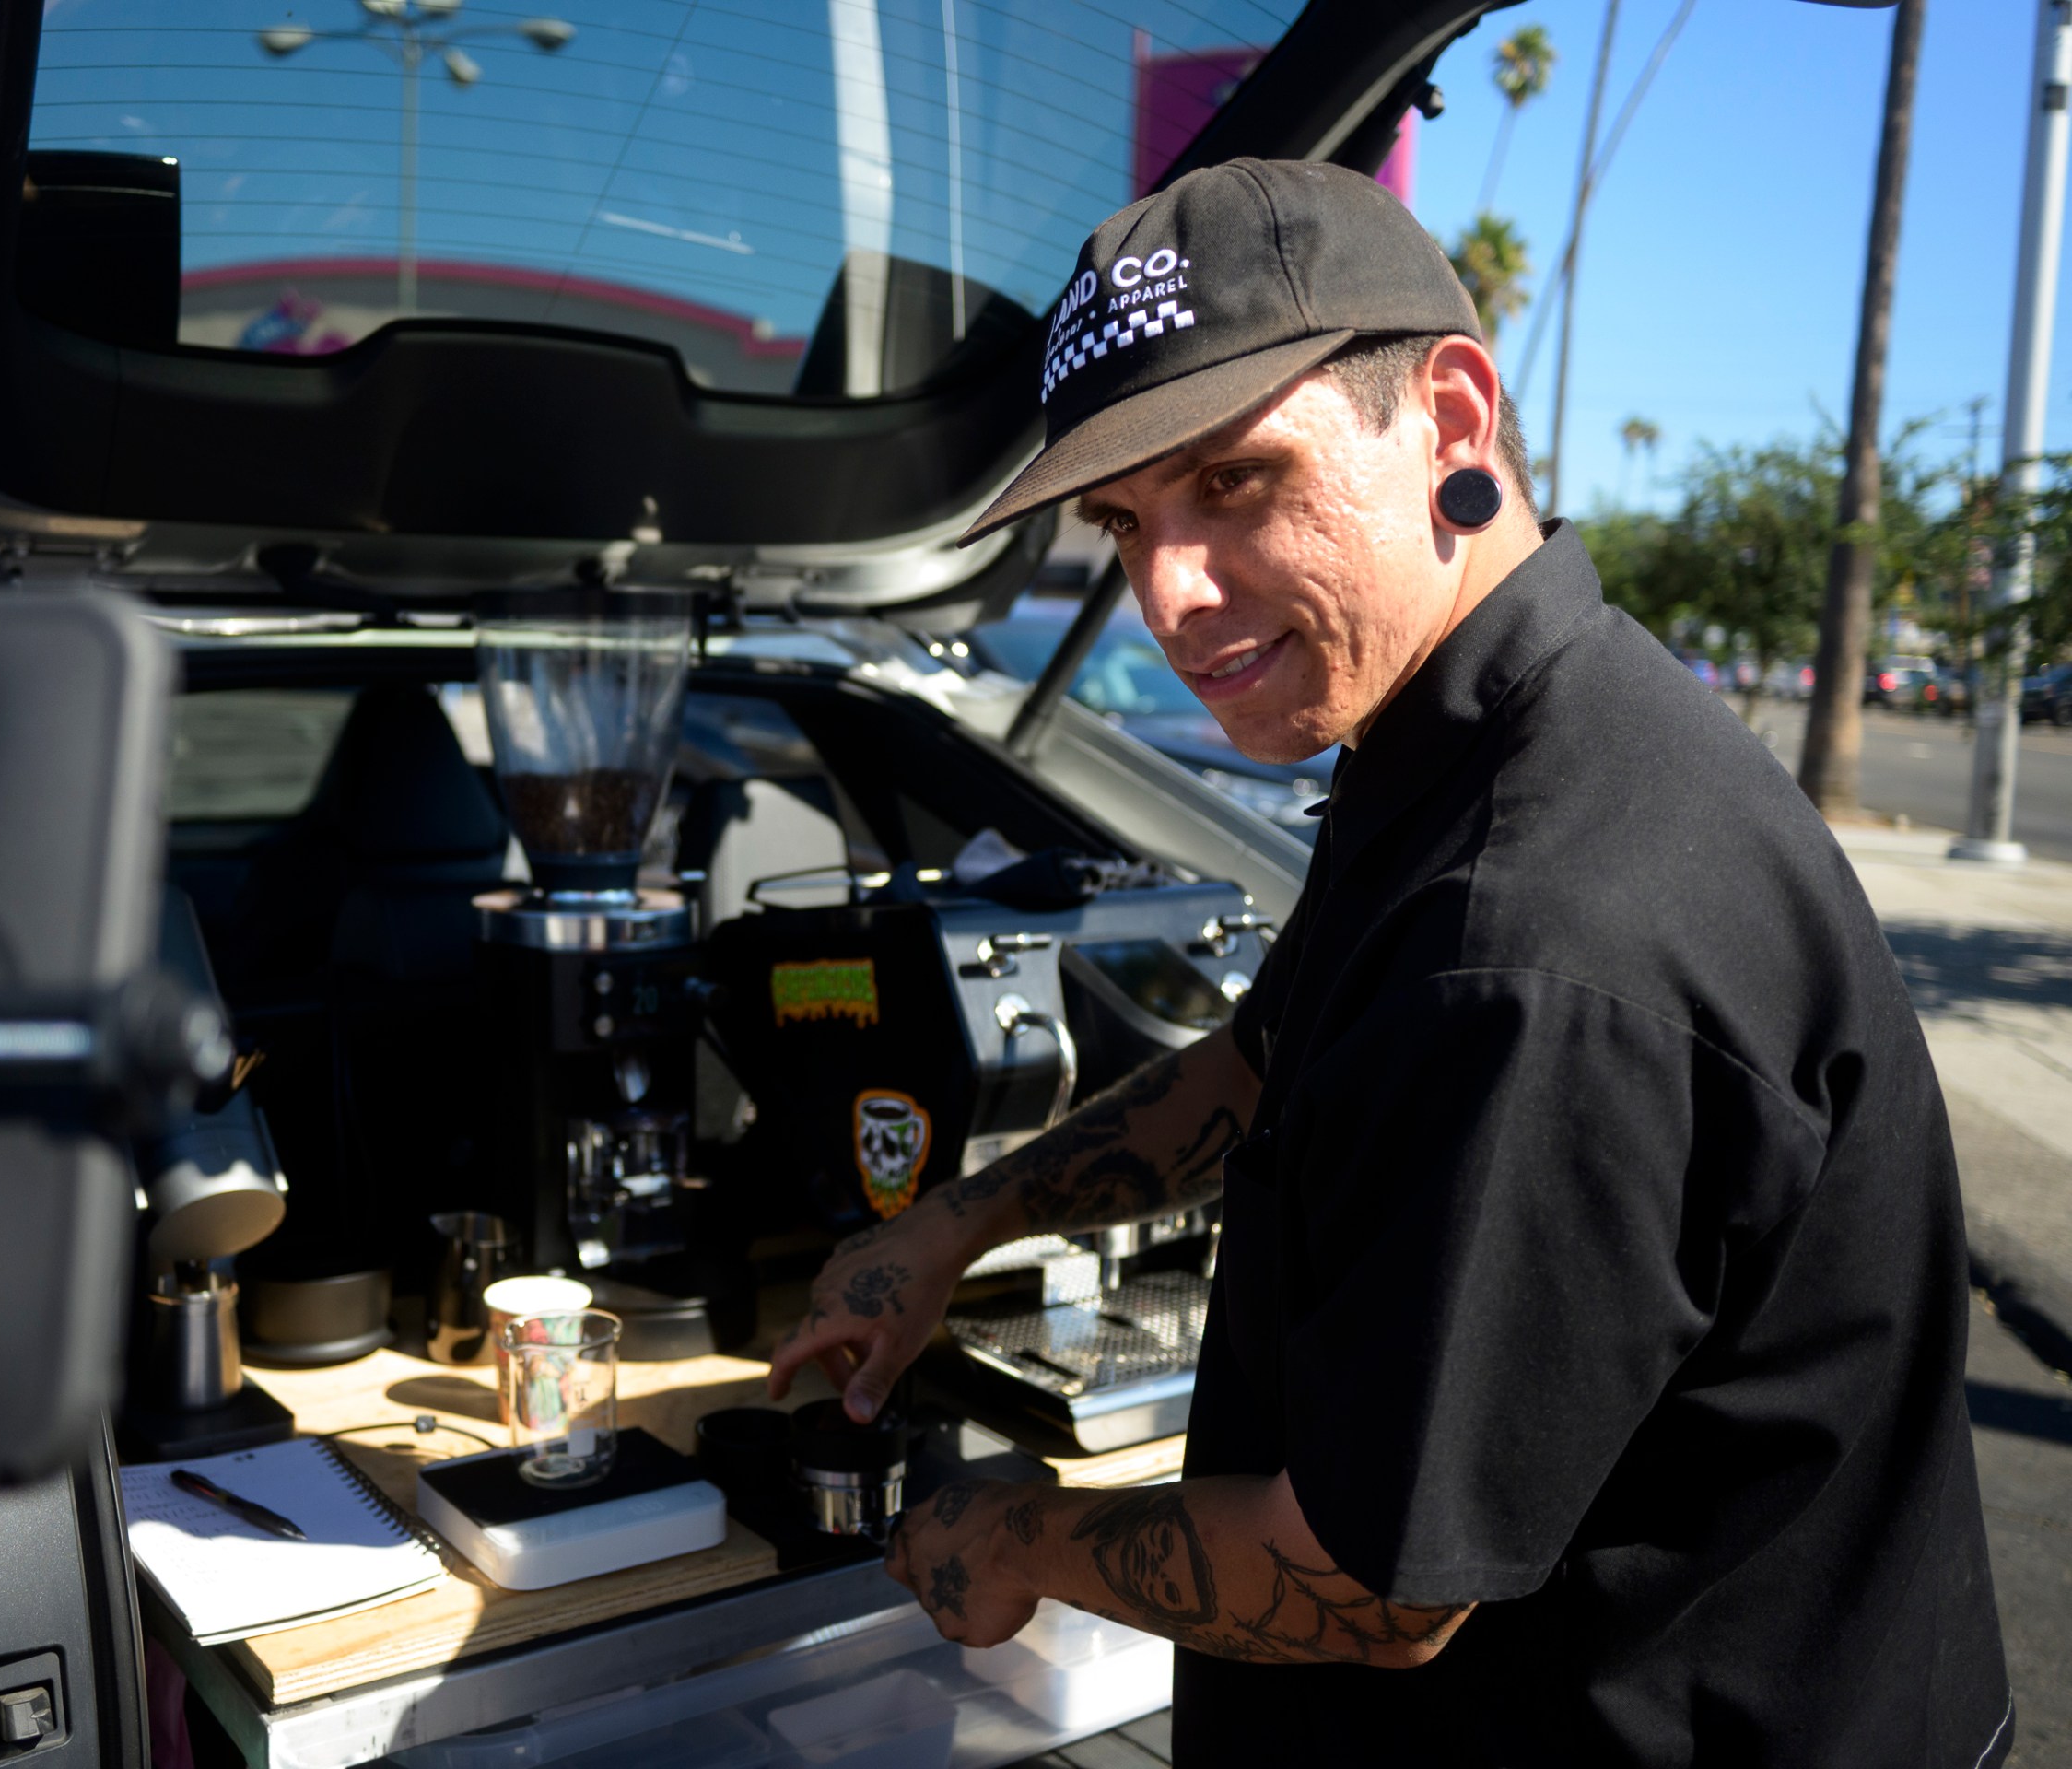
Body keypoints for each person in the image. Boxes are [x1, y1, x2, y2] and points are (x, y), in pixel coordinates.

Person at [767, 158, 2012, 1767]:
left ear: (1451, 415)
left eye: (1234, 482)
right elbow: (1262, 1056)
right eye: (1125, 520)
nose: (1167, 593)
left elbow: (1368, 1584)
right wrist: (959, 1221)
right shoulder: (1468, 734)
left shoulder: (1538, 942)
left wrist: (1020, 1540)